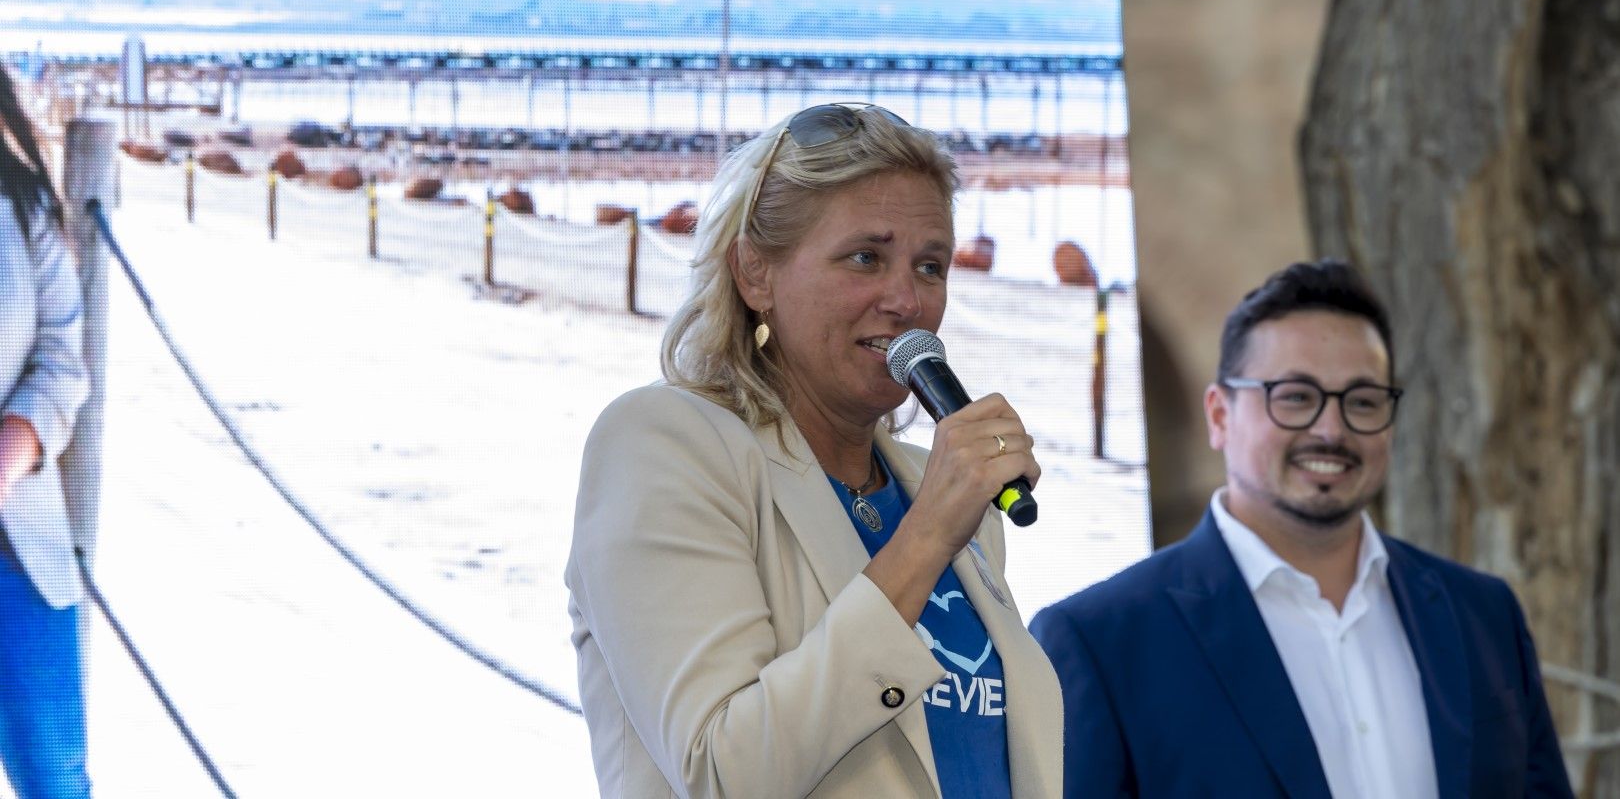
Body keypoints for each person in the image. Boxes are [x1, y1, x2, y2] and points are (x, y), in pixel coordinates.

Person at [565, 103, 1063, 798]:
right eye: (867, 257)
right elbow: (720, 772)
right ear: (755, 274)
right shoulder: (664, 445)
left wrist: (935, 517)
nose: (906, 300)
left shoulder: (935, 489)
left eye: (930, 265)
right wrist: (921, 541)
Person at [1029, 259, 1573, 798]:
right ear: (1220, 416)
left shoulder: (1484, 615)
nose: (1331, 430)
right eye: (1295, 397)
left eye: (1362, 401)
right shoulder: (1099, 642)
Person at [0, 63, 93, 799]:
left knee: (53, 776)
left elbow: (64, 360)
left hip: (17, 539)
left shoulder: (22, 207)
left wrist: (12, 447)